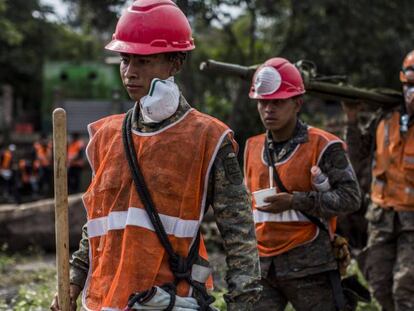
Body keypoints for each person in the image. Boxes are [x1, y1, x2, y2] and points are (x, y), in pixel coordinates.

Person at [50, 1, 261, 310]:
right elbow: (98, 223)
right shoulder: (108, 135)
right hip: (106, 302)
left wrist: (243, 303)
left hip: (170, 301)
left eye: (144, 61)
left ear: (175, 63)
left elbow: (239, 234)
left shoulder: (209, 138)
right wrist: (73, 279)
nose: (130, 72)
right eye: (125, 59)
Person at [243, 57, 361, 310]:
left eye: (277, 102)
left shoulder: (324, 145)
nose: (268, 110)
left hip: (311, 266)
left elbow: (351, 198)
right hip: (262, 267)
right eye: (263, 102)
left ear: (298, 103)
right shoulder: (251, 147)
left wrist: (295, 200)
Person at [343, 50, 414, 311]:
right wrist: (351, 119)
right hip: (382, 218)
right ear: (402, 80)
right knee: (380, 286)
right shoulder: (386, 117)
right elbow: (358, 157)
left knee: (405, 289)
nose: (412, 92)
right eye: (409, 84)